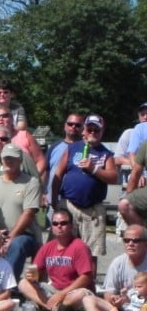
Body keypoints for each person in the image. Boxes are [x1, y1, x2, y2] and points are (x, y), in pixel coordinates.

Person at [52, 114, 116, 271]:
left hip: (93, 209)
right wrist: (54, 199)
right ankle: (59, 279)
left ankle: (89, 285)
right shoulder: (73, 148)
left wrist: (93, 168)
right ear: (84, 130)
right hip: (69, 205)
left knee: (90, 252)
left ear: (102, 132)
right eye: (90, 128)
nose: (92, 132)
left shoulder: (105, 154)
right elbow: (58, 174)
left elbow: (113, 177)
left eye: (96, 130)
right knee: (62, 246)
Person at [18, 208, 94, 311]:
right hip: (54, 289)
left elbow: (86, 277)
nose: (59, 226)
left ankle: (50, 305)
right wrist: (31, 276)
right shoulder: (47, 247)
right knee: (23, 284)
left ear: (71, 226)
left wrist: (62, 294)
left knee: (81, 295)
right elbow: (35, 271)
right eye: (55, 223)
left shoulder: (80, 246)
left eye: (63, 223)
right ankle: (52, 307)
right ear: (52, 227)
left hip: (73, 291)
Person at [0, 143, 42, 280]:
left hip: (25, 234)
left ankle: (7, 284)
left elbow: (29, 212)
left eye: (13, 158)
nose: (9, 161)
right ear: (1, 160)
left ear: (20, 160)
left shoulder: (31, 182)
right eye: (6, 158)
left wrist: (10, 237)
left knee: (16, 244)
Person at [84, 225, 147, 311]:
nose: (130, 244)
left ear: (145, 244)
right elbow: (108, 292)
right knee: (88, 299)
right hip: (123, 309)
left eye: (136, 241)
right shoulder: (117, 263)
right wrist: (114, 299)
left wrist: (145, 308)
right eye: (126, 240)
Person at [0, 108, 46, 185]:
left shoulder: (24, 136)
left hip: (24, 185)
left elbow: (41, 161)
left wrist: (32, 178)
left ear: (11, 119)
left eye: (5, 116)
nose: (1, 119)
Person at [45, 112, 84, 213]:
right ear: (65, 126)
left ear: (83, 128)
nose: (73, 127)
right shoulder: (54, 147)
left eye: (77, 125)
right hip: (54, 201)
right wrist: (43, 193)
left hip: (78, 203)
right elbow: (46, 172)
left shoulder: (86, 149)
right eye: (70, 124)